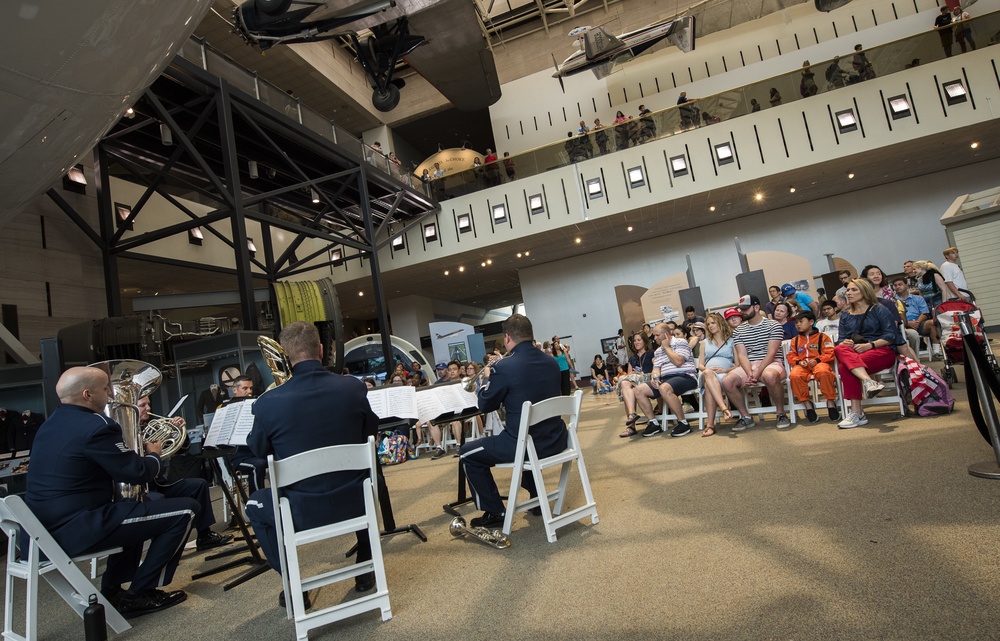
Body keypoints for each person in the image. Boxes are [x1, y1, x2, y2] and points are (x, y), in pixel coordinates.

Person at [25, 366, 198, 617]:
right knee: (186, 510)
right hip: (77, 527)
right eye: (106, 389)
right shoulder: (96, 426)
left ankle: (113, 589)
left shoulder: (50, 424)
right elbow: (137, 472)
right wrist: (154, 454)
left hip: (44, 529)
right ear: (87, 394)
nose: (110, 393)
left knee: (134, 509)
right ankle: (141, 593)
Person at [244, 322, 379, 603]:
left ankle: (294, 585)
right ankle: (365, 569)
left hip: (300, 511)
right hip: (356, 501)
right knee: (363, 475)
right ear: (320, 350)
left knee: (254, 505)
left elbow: (258, 449)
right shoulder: (352, 388)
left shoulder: (268, 403)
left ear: (287, 356)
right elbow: (370, 433)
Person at [459, 314, 567, 529]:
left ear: (507, 337)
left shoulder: (504, 367)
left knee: (467, 453)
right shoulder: (552, 362)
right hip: (556, 439)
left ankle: (494, 511)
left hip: (526, 445)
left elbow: (485, 406)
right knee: (527, 430)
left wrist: (487, 378)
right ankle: (537, 498)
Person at [137, 396, 233, 550]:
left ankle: (204, 536)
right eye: (143, 405)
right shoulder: (127, 433)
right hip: (143, 489)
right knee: (158, 499)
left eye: (148, 403)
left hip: (159, 483)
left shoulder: (152, 426)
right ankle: (163, 548)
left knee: (199, 485)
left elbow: (181, 450)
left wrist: (181, 431)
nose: (148, 408)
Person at [834, 278, 901, 428]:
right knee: (839, 348)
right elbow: (840, 341)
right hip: (855, 353)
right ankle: (868, 381)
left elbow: (891, 336)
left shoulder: (879, 309)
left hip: (881, 350)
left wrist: (869, 345)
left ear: (864, 292)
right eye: (848, 290)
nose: (848, 293)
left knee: (845, 367)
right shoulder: (845, 315)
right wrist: (847, 342)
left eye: (853, 290)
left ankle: (857, 414)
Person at [722, 295, 790, 431]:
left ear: (757, 307)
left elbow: (771, 353)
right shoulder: (739, 330)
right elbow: (742, 355)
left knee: (770, 376)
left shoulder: (773, 325)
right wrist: (750, 373)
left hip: (771, 363)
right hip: (749, 365)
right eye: (741, 309)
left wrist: (757, 372)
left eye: (746, 309)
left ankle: (781, 413)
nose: (743, 312)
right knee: (727, 381)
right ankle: (746, 417)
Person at [626, 323, 698, 438]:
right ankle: (654, 423)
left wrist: (667, 348)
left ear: (666, 334)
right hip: (665, 379)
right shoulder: (658, 351)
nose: (654, 338)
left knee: (664, 387)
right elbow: (656, 368)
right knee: (638, 390)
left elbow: (678, 362)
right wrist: (655, 377)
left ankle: (683, 423)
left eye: (657, 335)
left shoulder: (681, 342)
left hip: (685, 376)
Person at [785, 310, 840, 423]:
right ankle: (807, 404)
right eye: (796, 323)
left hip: (819, 363)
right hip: (802, 365)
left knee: (824, 372)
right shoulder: (795, 340)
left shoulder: (823, 337)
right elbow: (790, 355)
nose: (798, 325)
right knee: (794, 375)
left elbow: (829, 352)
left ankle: (830, 401)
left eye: (801, 321)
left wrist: (818, 360)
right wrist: (799, 362)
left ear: (811, 322)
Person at [222, 376, 266, 495]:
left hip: (254, 452)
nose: (249, 391)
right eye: (245, 388)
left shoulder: (255, 405)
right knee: (257, 465)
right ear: (234, 390)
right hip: (236, 456)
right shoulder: (225, 408)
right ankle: (257, 503)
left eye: (251, 388)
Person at [698, 312, 735, 437]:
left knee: (709, 386)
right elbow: (700, 365)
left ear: (720, 323)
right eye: (708, 324)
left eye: (713, 323)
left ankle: (710, 426)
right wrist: (706, 369)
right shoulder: (704, 343)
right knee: (708, 373)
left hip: (726, 374)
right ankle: (724, 408)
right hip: (707, 373)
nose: (710, 326)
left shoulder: (732, 341)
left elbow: (738, 364)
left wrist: (725, 371)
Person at [617, 332, 655, 437]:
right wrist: (633, 374)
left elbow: (656, 370)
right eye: (634, 341)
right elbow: (629, 375)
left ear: (644, 341)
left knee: (628, 392)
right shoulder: (632, 358)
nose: (636, 342)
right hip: (635, 382)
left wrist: (643, 374)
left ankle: (631, 425)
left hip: (648, 381)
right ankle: (632, 415)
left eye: (639, 340)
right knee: (625, 383)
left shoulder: (652, 354)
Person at [893, 276, 939, 361]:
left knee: (932, 323)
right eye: (895, 285)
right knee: (913, 334)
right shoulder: (894, 301)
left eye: (900, 284)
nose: (898, 287)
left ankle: (937, 352)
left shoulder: (918, 298)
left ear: (906, 285)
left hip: (919, 322)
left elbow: (924, 313)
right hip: (904, 325)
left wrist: (917, 322)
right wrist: (909, 323)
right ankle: (914, 359)